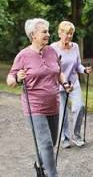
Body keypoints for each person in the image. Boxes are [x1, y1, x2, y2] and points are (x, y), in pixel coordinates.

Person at [6, 18, 72, 177]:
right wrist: (18, 78)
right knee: (46, 144)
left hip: (54, 104)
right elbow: (10, 80)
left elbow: (59, 71)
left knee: (52, 142)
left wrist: (65, 83)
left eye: (48, 31)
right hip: (34, 107)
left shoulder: (52, 51)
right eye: (44, 32)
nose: (48, 34)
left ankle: (39, 165)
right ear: (33, 35)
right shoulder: (23, 56)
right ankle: (52, 174)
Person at [51, 21, 91, 148]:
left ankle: (76, 135)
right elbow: (53, 68)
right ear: (60, 33)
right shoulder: (53, 48)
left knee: (79, 107)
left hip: (73, 82)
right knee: (62, 113)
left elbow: (77, 65)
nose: (68, 36)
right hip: (59, 85)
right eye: (66, 33)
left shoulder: (75, 47)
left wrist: (84, 70)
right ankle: (65, 138)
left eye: (71, 33)